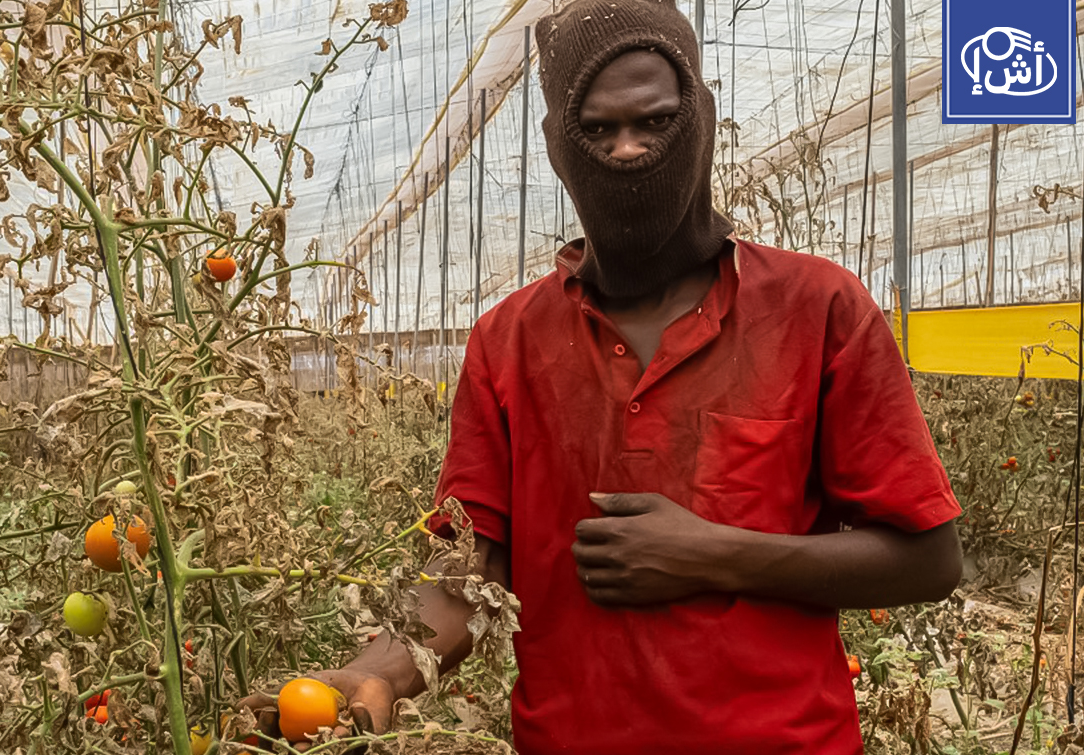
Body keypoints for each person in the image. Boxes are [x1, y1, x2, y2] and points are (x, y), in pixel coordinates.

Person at [242, 0, 963, 751]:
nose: (627, 150)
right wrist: (375, 674)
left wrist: (713, 553)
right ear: (559, 145)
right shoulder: (510, 340)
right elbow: (470, 570)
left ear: (701, 120)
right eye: (596, 129)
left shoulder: (816, 308)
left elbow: (929, 557)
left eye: (656, 121)